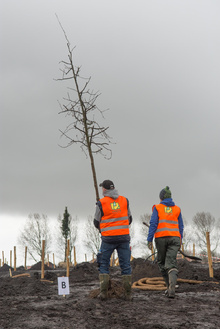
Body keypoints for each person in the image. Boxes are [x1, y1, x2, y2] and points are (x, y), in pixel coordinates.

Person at [94, 179, 133, 301]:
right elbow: (130, 219)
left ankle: (103, 294)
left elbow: (96, 222)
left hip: (108, 239)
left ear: (104, 189)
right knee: (125, 265)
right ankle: (128, 295)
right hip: (124, 238)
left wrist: (104, 229)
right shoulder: (124, 201)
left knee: (104, 264)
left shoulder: (101, 203)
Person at [147, 186, 184, 298]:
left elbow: (153, 224)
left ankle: (169, 288)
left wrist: (149, 239)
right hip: (175, 238)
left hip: (161, 239)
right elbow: (181, 226)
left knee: (162, 263)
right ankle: (171, 289)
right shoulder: (177, 209)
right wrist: (180, 240)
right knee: (171, 263)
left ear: (161, 198)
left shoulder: (157, 208)